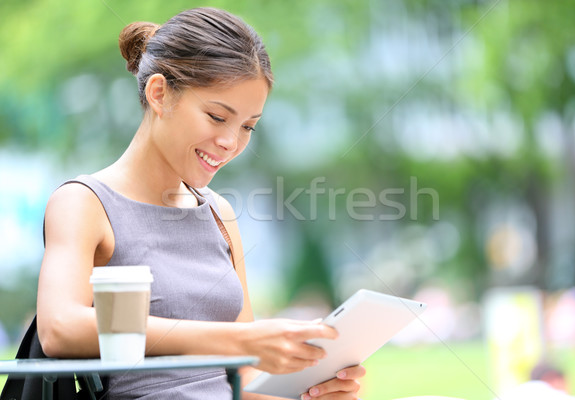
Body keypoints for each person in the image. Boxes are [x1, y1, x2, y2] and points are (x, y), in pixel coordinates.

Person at [35, 7, 365, 400]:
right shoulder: (85, 203)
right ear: (159, 94)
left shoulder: (217, 212)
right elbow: (58, 327)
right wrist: (237, 340)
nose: (231, 142)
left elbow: (240, 380)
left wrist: (311, 394)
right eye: (216, 116)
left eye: (247, 126)